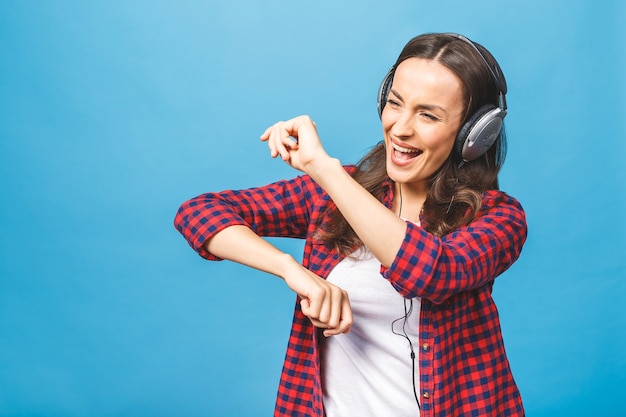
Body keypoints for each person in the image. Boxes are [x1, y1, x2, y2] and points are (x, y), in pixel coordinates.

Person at [174, 32, 527, 417]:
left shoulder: (499, 217)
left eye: (427, 114)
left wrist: (323, 169)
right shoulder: (335, 193)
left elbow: (432, 271)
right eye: (395, 104)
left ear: (473, 134)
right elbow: (199, 212)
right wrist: (293, 271)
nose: (400, 128)